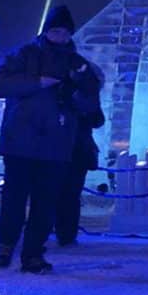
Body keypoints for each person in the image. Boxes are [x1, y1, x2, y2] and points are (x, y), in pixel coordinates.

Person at [0, 5, 101, 273]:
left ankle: (33, 254)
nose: (60, 36)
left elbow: (91, 105)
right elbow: (0, 84)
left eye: (64, 32)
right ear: (46, 31)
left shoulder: (79, 64)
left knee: (46, 203)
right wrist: (38, 82)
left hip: (57, 146)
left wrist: (75, 92)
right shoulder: (24, 54)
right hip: (20, 142)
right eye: (55, 31)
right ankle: (6, 244)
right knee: (14, 199)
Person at [53, 98, 105, 246]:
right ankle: (64, 233)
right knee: (65, 195)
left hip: (76, 151)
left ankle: (66, 234)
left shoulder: (84, 95)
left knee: (70, 194)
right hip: (64, 149)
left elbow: (97, 120)